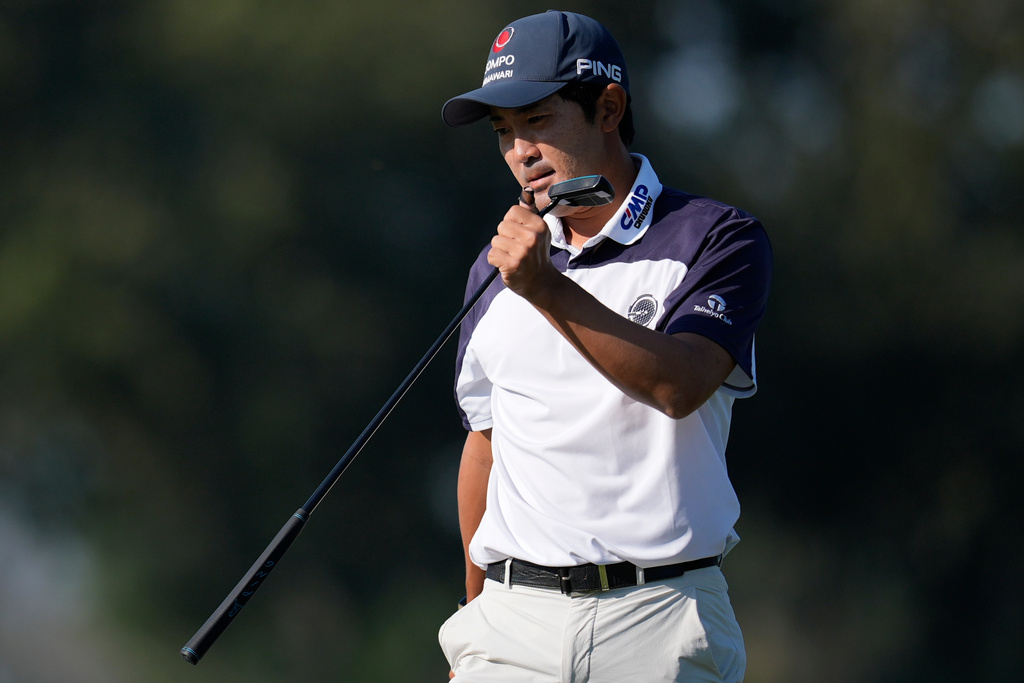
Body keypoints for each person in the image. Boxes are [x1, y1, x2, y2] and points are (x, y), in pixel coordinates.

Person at [437, 10, 772, 683]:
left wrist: (546, 290)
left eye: (537, 121)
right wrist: (478, 617)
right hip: (511, 625)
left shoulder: (714, 237)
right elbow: (487, 444)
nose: (519, 152)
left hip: (660, 618)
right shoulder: (494, 270)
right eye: (504, 133)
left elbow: (679, 384)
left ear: (609, 107)